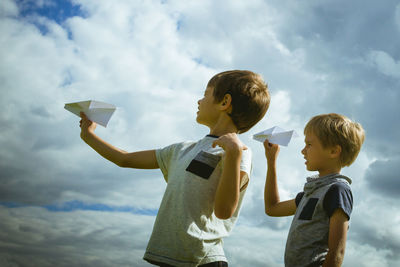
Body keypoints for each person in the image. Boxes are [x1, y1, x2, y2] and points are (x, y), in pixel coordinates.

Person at [79, 70, 270, 267]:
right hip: (169, 258)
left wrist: (233, 154)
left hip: (203, 260)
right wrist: (88, 136)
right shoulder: (181, 149)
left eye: (205, 94)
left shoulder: (240, 152)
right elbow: (125, 159)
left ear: (224, 102)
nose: (199, 101)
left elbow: (223, 211)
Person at [263, 113, 365, 267]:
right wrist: (271, 161)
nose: (303, 151)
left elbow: (337, 252)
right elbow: (272, 208)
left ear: (333, 151)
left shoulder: (337, 190)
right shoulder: (309, 193)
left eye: (309, 144)